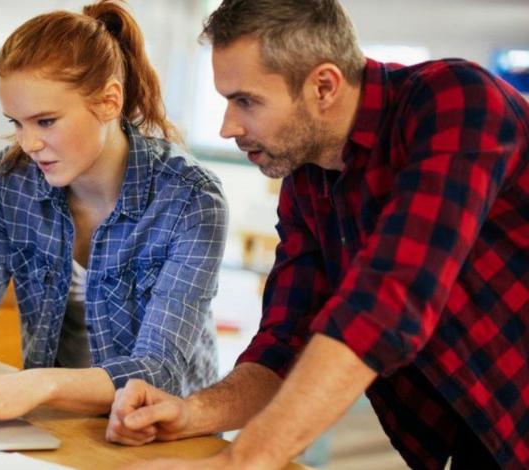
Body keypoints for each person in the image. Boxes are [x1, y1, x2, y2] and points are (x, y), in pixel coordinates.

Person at [106, 0, 529, 469]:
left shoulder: (456, 101)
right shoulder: (308, 178)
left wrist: (243, 460)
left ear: (323, 85)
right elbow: (286, 342)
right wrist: (191, 412)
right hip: (483, 432)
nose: (228, 127)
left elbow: (391, 299)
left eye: (245, 100)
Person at [0, 0, 227, 426]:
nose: (28, 144)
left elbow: (158, 370)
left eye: (45, 121)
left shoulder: (190, 200)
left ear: (109, 101)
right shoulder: (10, 181)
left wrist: (37, 384)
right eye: (17, 123)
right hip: (58, 420)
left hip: (162, 431)